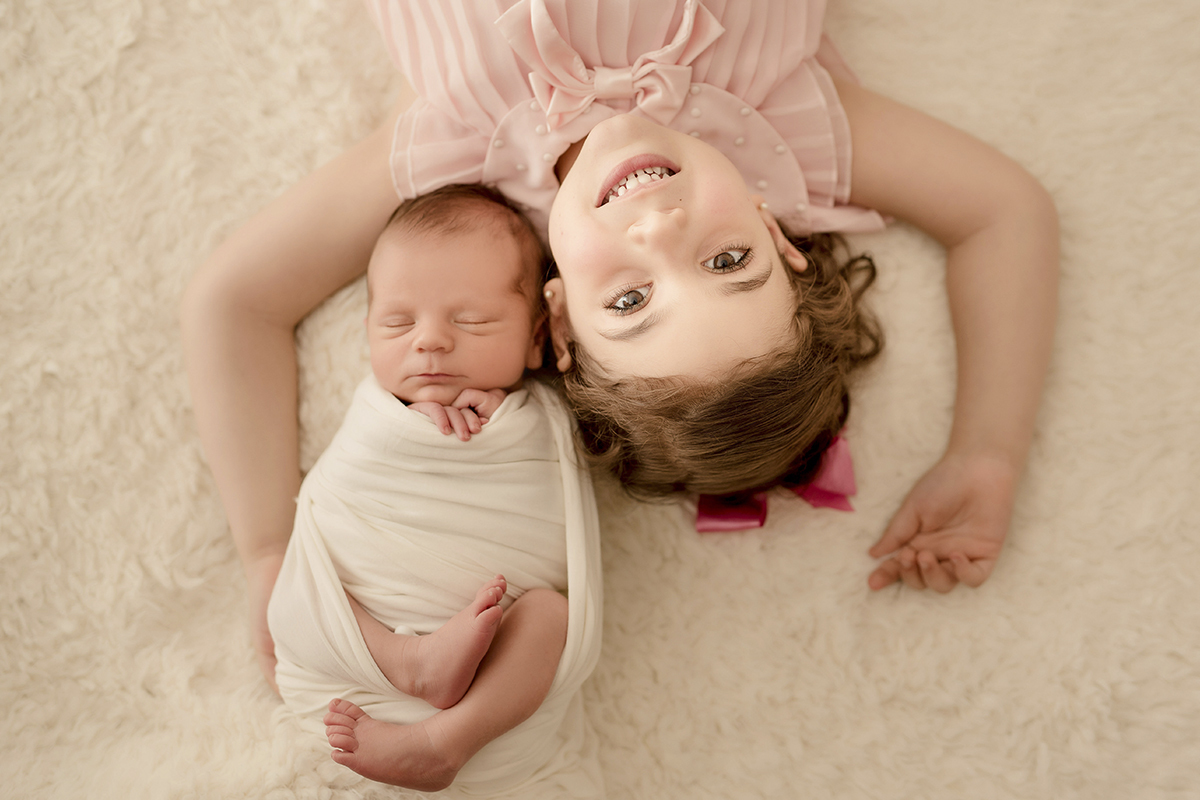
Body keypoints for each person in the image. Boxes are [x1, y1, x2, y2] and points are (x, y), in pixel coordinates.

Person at [180, 0, 1058, 697]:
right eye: (727, 261)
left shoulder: (453, 154)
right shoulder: (787, 125)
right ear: (777, 234)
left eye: (632, 300)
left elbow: (236, 301)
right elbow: (1004, 212)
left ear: (556, 322)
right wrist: (987, 450)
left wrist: (267, 550)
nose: (660, 226)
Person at [265, 184, 603, 793]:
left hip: (496, 680)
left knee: (550, 616)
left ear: (534, 340)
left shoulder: (544, 422)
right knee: (293, 590)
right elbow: (330, 508)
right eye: (397, 322)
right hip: (357, 652)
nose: (429, 340)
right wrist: (410, 426)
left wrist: (503, 420)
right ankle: (405, 660)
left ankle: (444, 741)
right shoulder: (374, 422)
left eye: (470, 320)